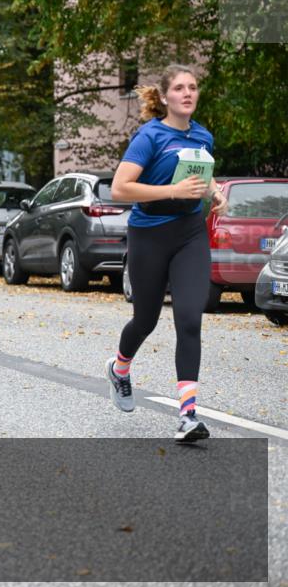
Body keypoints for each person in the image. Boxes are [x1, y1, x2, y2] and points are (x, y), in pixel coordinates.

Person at [107, 64, 229, 443]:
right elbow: (120, 189)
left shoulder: (202, 135)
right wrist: (171, 193)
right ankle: (120, 368)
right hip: (149, 236)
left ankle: (188, 415)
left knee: (190, 319)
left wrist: (215, 191)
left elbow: (201, 176)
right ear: (164, 97)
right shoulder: (150, 136)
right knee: (145, 320)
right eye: (179, 88)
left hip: (190, 236)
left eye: (193, 87)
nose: (187, 93)